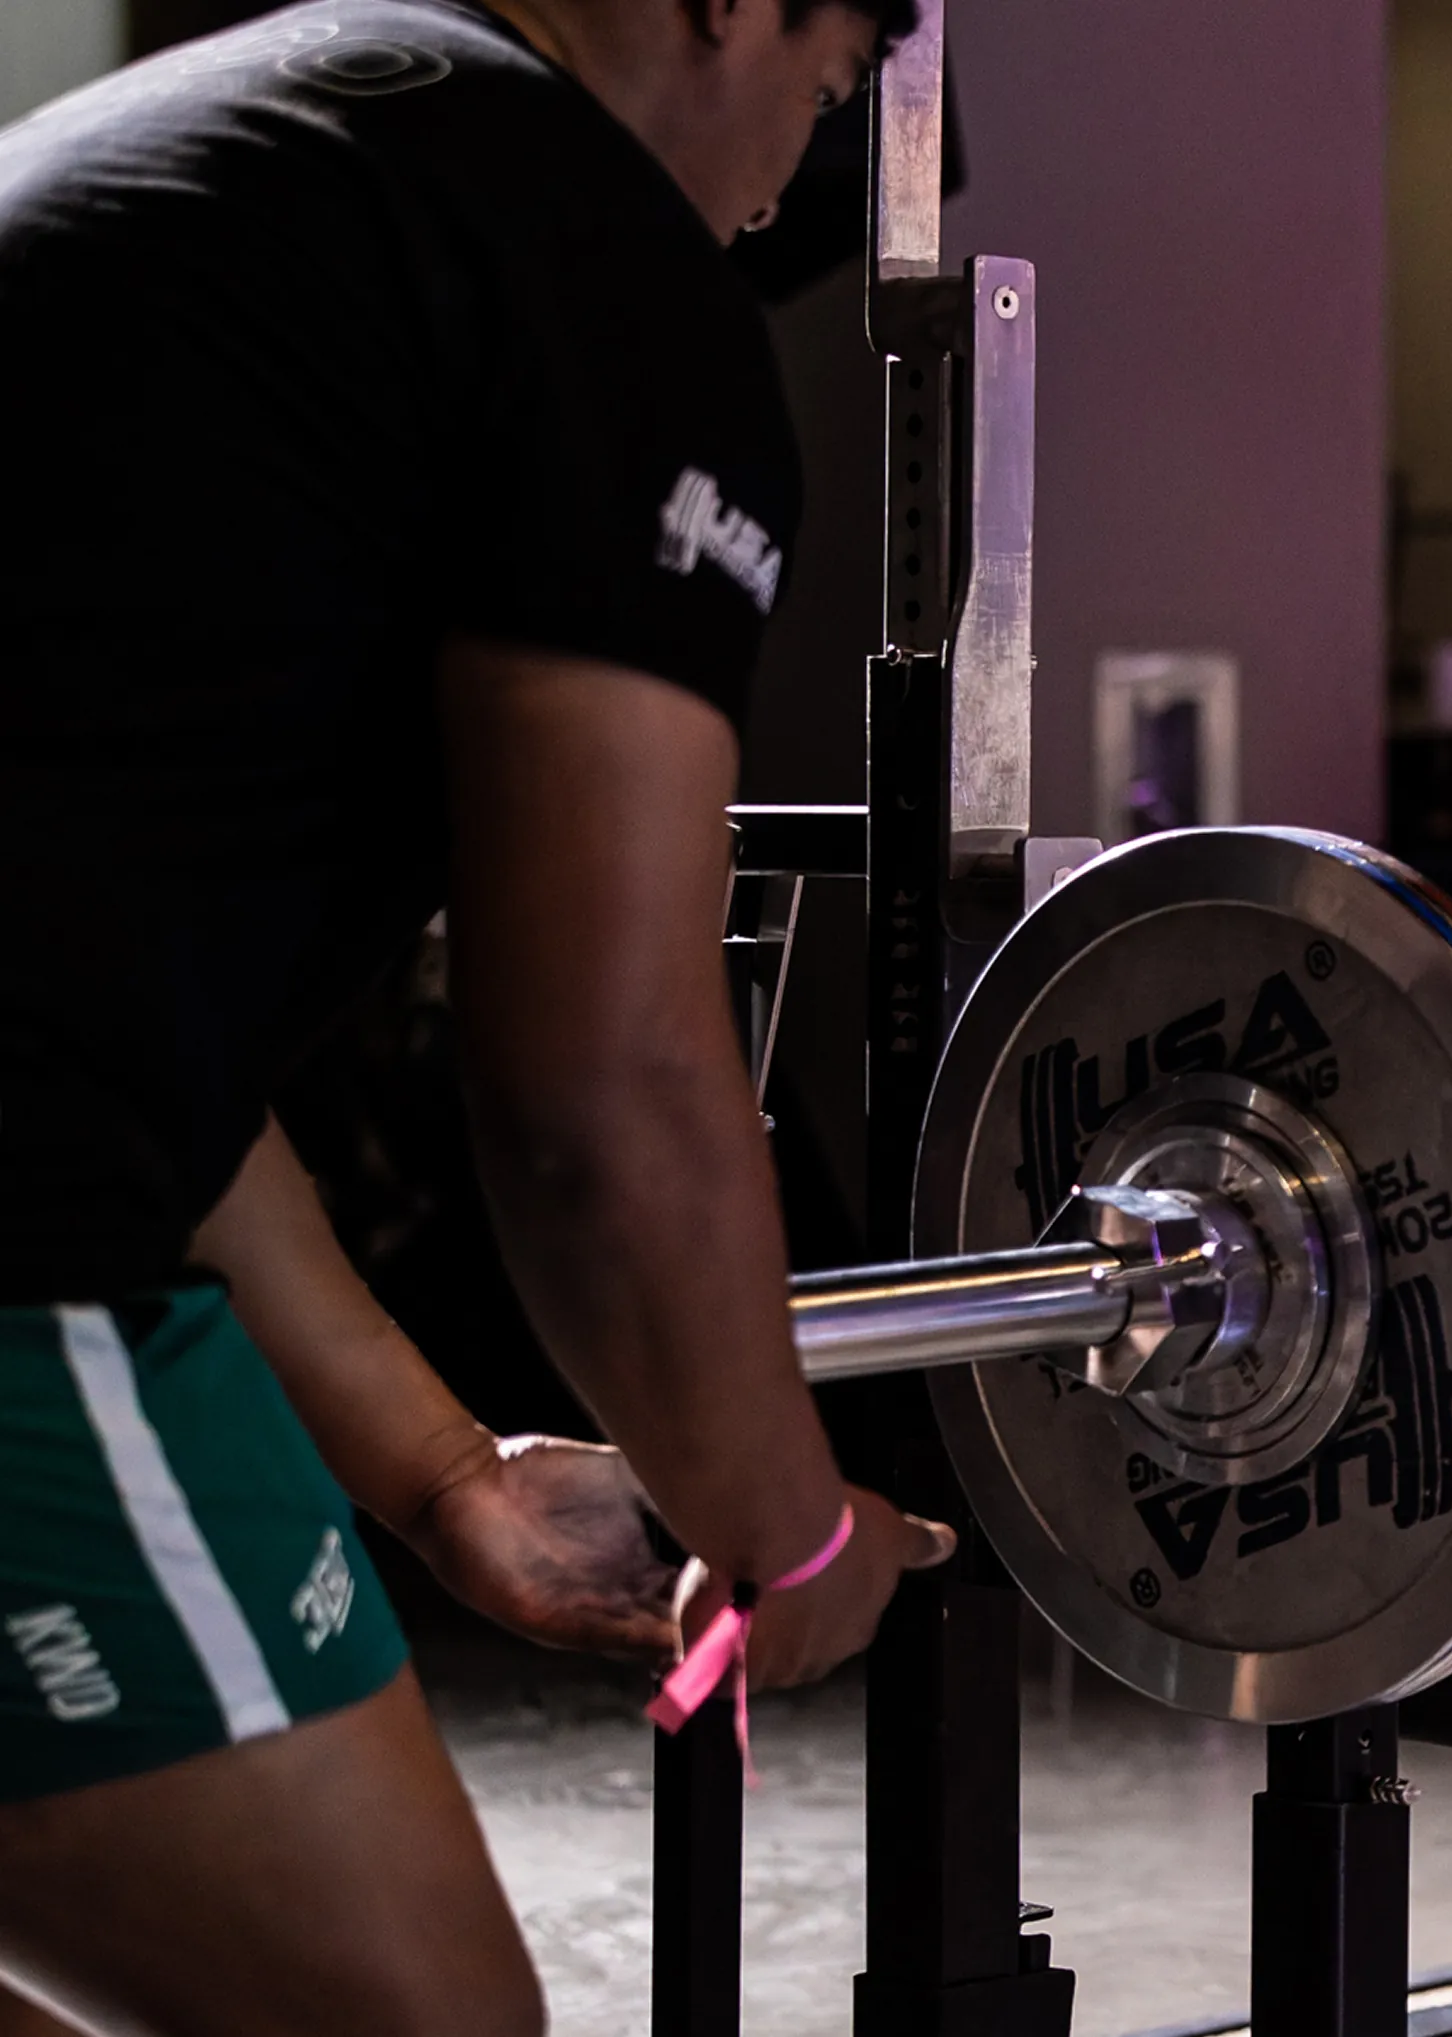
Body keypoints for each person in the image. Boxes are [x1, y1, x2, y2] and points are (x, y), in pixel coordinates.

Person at [0, 2, 956, 2029]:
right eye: (825, 73)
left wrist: (450, 1475)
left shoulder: (241, 145)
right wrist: (785, 1538)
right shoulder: (592, 267)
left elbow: (145, 1067)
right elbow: (598, 1095)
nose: (798, 161)